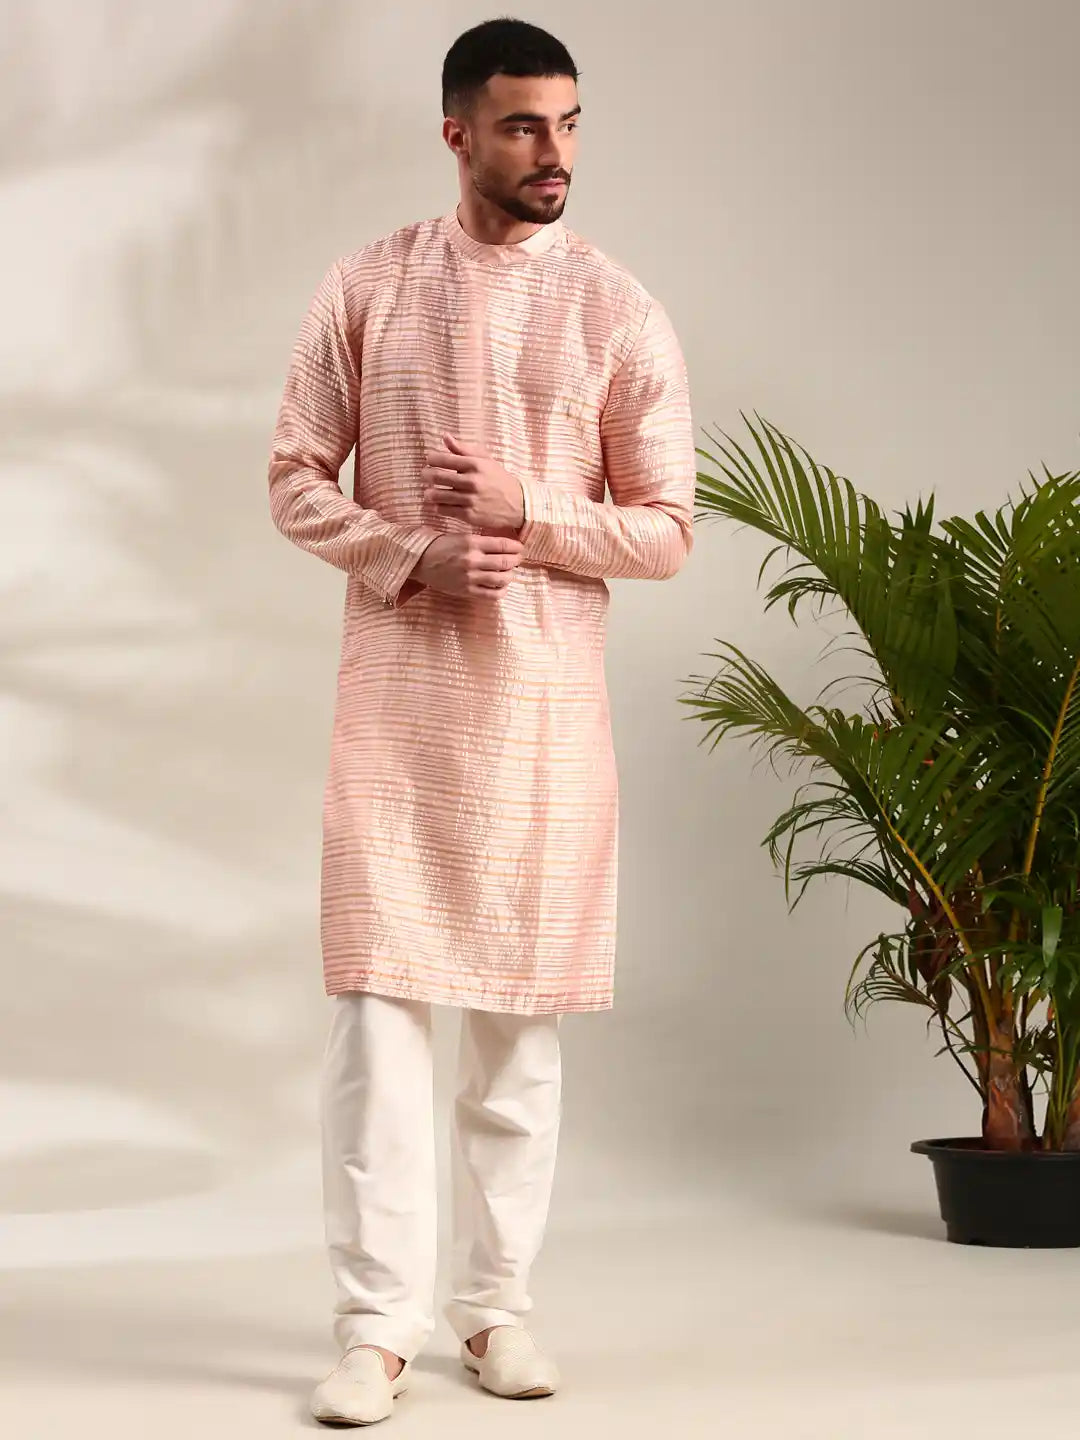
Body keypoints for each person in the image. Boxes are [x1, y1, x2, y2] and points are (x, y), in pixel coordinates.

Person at [267, 15, 696, 1427]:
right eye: (522, 125)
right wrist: (415, 553)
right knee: (377, 1031)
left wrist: (530, 512)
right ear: (456, 132)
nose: (552, 152)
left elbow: (667, 530)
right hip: (397, 715)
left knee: (517, 1037)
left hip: (543, 722)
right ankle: (375, 1332)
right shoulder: (368, 286)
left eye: (568, 124)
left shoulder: (616, 310)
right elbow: (292, 477)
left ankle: (496, 1310)